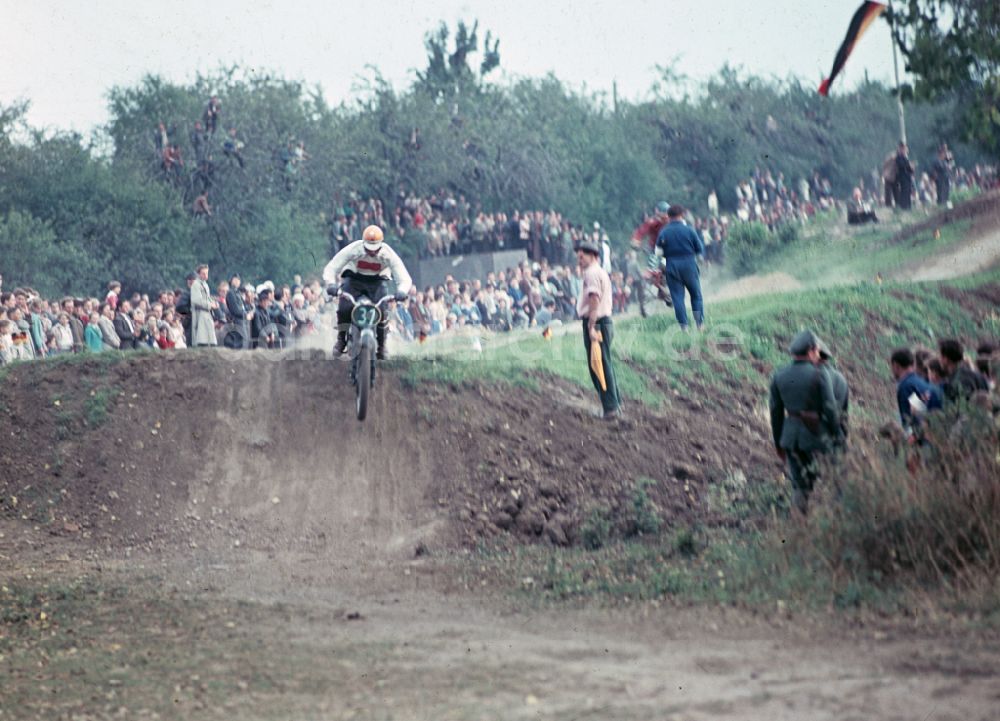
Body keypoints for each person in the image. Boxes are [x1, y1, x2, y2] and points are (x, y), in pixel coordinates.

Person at [769, 330, 840, 514]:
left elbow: (775, 414)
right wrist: (838, 436)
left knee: (800, 488)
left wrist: (778, 443)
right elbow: (831, 409)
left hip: (791, 439)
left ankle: (800, 527)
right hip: (817, 437)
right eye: (817, 350)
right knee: (833, 481)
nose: (818, 354)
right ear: (810, 351)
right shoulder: (820, 374)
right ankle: (832, 524)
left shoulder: (778, 375)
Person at [322, 224, 412, 361]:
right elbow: (332, 266)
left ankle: (382, 345)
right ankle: (341, 339)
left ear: (381, 244)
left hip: (377, 282)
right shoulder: (354, 249)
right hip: (353, 280)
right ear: (363, 243)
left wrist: (402, 291)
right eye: (368, 248)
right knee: (344, 307)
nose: (371, 252)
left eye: (375, 249)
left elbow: (404, 277)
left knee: (382, 310)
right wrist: (331, 284)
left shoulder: (388, 254)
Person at [576, 239, 621, 420]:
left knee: (599, 366)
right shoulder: (597, 271)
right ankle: (615, 403)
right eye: (578, 257)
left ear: (593, 256)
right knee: (604, 363)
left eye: (582, 257)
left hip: (598, 322)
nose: (579, 260)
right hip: (603, 321)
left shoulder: (592, 273)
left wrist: (591, 325)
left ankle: (610, 408)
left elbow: (594, 298)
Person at [656, 204, 705, 330]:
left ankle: (684, 327)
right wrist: (701, 262)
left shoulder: (663, 232)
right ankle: (699, 324)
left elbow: (659, 254)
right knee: (696, 295)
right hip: (689, 264)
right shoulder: (689, 230)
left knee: (678, 298)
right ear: (682, 215)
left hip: (672, 266)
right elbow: (699, 250)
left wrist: (663, 268)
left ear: (668, 216)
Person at [890, 348, 943, 438]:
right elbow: (921, 408)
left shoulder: (906, 386)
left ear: (896, 365)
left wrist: (912, 438)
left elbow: (911, 417)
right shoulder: (920, 382)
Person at [817, 339, 849, 450]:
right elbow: (844, 415)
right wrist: (842, 434)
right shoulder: (842, 379)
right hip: (834, 431)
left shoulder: (817, 375)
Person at [938, 338, 988, 405]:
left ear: (946, 359)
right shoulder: (979, 376)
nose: (939, 359)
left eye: (940, 356)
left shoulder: (953, 382)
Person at [190, 264, 219, 348]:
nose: (206, 275)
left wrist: (214, 302)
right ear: (198, 274)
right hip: (200, 313)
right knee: (202, 337)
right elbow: (196, 300)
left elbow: (207, 297)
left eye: (207, 273)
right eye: (203, 273)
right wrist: (210, 305)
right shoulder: (196, 284)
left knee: (209, 337)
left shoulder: (205, 284)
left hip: (207, 313)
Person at [894, 142, 915, 210]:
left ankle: (908, 206)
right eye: (905, 148)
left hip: (907, 177)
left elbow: (909, 168)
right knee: (904, 192)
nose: (906, 150)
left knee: (908, 191)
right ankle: (904, 207)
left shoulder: (906, 157)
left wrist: (911, 167)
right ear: (901, 149)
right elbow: (901, 165)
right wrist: (909, 165)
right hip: (902, 177)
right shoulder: (898, 157)